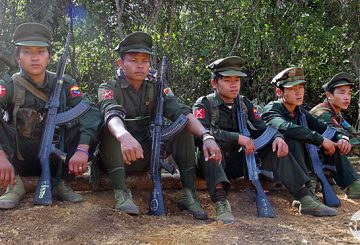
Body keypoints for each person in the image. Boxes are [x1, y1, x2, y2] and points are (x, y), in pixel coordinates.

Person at [193, 57, 336, 223]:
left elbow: (262, 126)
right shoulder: (204, 104)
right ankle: (220, 202)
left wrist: (277, 137)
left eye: (237, 80)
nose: (234, 85)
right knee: (212, 148)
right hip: (211, 164)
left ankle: (305, 198)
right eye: (227, 80)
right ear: (214, 83)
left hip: (240, 161)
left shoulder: (244, 104)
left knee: (276, 148)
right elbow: (201, 132)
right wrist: (236, 138)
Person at [97, 31, 221, 219]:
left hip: (147, 152)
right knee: (109, 128)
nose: (140, 65)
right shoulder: (108, 88)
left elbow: (181, 111)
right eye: (133, 60)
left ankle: (189, 195)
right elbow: (110, 112)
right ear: (120, 63)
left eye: (145, 60)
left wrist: (206, 135)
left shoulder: (157, 86)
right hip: (118, 155)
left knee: (182, 125)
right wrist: (123, 136)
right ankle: (122, 193)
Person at [0, 23, 101, 209]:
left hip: (57, 158)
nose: (34, 58)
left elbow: (91, 112)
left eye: (40, 51)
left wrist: (82, 149)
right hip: (19, 160)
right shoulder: (9, 84)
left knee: (87, 122)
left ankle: (60, 182)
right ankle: (15, 184)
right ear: (18, 57)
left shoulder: (65, 83)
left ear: (50, 56)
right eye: (27, 52)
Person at [261, 67, 360, 201]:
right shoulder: (272, 109)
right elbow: (288, 128)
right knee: (293, 139)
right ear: (279, 91)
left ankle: (352, 185)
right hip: (277, 163)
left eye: (301, 88)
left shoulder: (300, 111)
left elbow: (323, 128)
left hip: (304, 161)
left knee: (333, 145)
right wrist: (321, 140)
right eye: (292, 89)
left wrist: (341, 138)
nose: (298, 93)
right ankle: (306, 191)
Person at [310, 72, 360, 156]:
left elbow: (353, 132)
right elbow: (345, 138)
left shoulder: (335, 112)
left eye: (349, 93)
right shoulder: (322, 113)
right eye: (342, 93)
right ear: (329, 95)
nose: (347, 97)